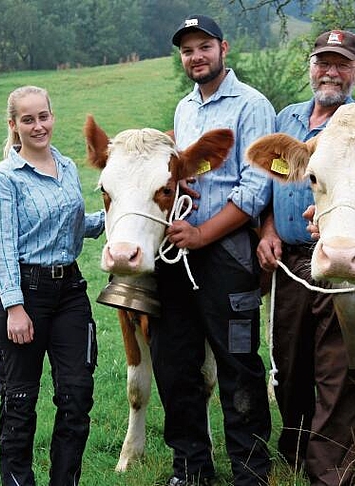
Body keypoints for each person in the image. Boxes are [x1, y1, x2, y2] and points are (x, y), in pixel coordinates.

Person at [149, 15, 276, 486]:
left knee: (238, 362)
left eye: (204, 47)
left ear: (224, 49)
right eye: (187, 51)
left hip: (227, 255)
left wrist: (204, 235)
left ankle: (250, 472)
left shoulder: (251, 105)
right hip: (176, 255)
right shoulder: (185, 109)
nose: (196, 56)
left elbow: (257, 186)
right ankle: (190, 468)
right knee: (175, 364)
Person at [255, 30, 355, 486]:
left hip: (341, 260)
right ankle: (297, 449)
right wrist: (267, 229)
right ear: (310, 67)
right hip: (289, 261)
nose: (331, 71)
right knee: (290, 362)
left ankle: (331, 471)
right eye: (323, 62)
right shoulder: (287, 118)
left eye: (341, 63)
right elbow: (269, 184)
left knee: (338, 368)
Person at [0, 85, 105, 485]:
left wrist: (118, 216)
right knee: (20, 400)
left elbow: (73, 225)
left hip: (70, 291)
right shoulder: (4, 179)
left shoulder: (67, 167)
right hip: (23, 292)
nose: (38, 126)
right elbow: (2, 246)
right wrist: (15, 307)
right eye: (28, 119)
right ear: (14, 126)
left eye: (44, 116)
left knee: (77, 397)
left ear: (53, 116)